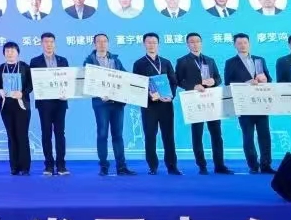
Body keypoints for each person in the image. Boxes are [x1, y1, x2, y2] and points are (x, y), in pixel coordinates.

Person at [175, 33, 231, 174]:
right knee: (197, 134)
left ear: (201, 43)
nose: (195, 44)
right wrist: (193, 86)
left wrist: (214, 81)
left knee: (217, 134)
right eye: (192, 42)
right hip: (195, 100)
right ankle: (202, 166)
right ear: (187, 44)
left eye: (197, 41)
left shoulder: (210, 60)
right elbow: (178, 80)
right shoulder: (182, 61)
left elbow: (218, 78)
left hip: (211, 100)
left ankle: (220, 165)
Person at [83, 34, 136, 176]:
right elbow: (88, 83)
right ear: (94, 44)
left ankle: (121, 167)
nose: (102, 44)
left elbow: (125, 77)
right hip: (101, 103)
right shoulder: (89, 62)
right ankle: (103, 166)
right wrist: (99, 93)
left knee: (118, 135)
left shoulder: (115, 60)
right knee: (102, 134)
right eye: (99, 41)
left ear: (108, 43)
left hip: (117, 103)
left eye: (105, 41)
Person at [225, 33, 274, 173]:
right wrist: (246, 83)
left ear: (249, 44)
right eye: (239, 43)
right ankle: (253, 165)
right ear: (235, 45)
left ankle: (266, 165)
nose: (242, 45)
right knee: (248, 136)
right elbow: (228, 83)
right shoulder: (231, 62)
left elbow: (269, 79)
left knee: (265, 135)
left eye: (245, 42)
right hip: (244, 104)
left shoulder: (259, 60)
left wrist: (265, 80)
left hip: (261, 103)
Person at [132, 33, 180, 175]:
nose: (151, 45)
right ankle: (152, 166)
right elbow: (136, 85)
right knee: (150, 136)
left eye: (154, 42)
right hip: (149, 106)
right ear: (144, 44)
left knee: (168, 136)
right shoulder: (138, 64)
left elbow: (173, 82)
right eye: (149, 42)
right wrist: (149, 94)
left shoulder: (166, 62)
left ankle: (172, 166)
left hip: (166, 105)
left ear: (158, 44)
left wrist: (170, 96)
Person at [29, 33, 69, 175]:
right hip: (44, 104)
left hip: (60, 103)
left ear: (54, 43)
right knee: (46, 133)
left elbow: (68, 81)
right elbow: (32, 83)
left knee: (60, 134)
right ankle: (49, 165)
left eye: (51, 42)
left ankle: (61, 165)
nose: (49, 44)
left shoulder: (63, 60)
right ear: (41, 44)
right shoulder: (35, 61)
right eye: (46, 42)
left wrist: (67, 92)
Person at [0, 41, 33, 175]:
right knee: (11, 136)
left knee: (22, 135)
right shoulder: (1, 68)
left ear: (18, 52)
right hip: (6, 107)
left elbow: (31, 85)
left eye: (12, 50)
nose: (10, 53)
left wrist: (22, 93)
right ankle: (14, 167)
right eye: (7, 51)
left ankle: (25, 167)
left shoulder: (25, 67)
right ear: (4, 53)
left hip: (22, 106)